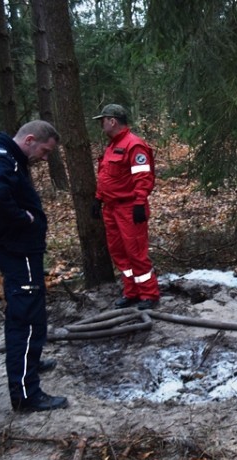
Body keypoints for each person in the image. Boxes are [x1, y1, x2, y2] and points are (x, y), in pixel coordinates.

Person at [0, 120, 68, 412]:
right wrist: (23, 219)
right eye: (44, 151)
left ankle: (32, 360)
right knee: (25, 318)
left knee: (31, 311)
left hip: (22, 251)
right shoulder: (2, 160)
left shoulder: (7, 156)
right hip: (18, 251)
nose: (44, 158)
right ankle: (26, 395)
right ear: (29, 139)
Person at [92, 104, 160, 310]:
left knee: (135, 252)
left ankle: (149, 294)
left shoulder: (134, 145)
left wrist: (139, 203)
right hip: (111, 208)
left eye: (102, 120)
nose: (101, 125)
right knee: (119, 253)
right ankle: (131, 292)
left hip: (129, 208)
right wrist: (98, 199)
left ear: (112, 121)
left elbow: (143, 178)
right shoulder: (112, 146)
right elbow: (106, 177)